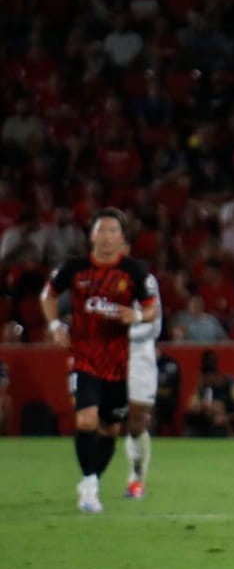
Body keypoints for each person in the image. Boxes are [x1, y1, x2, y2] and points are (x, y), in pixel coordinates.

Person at [39, 209, 160, 512]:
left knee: (111, 429)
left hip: (120, 364)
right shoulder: (75, 268)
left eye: (113, 231)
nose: (106, 237)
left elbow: (152, 309)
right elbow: (48, 295)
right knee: (86, 419)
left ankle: (96, 480)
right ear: (91, 235)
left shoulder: (135, 272)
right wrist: (55, 326)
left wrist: (137, 315)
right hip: (84, 359)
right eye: (101, 230)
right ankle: (90, 484)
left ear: (122, 238)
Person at [122, 253, 164, 498]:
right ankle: (90, 481)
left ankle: (136, 477)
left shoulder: (146, 282)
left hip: (139, 357)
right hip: (106, 357)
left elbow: (155, 326)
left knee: (136, 422)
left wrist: (123, 334)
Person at [185, 350, 234, 438]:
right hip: (208, 423)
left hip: (229, 422)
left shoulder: (232, 386)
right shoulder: (203, 387)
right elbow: (190, 407)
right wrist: (203, 406)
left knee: (220, 424)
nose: (203, 380)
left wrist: (226, 417)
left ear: (213, 376)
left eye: (205, 378)